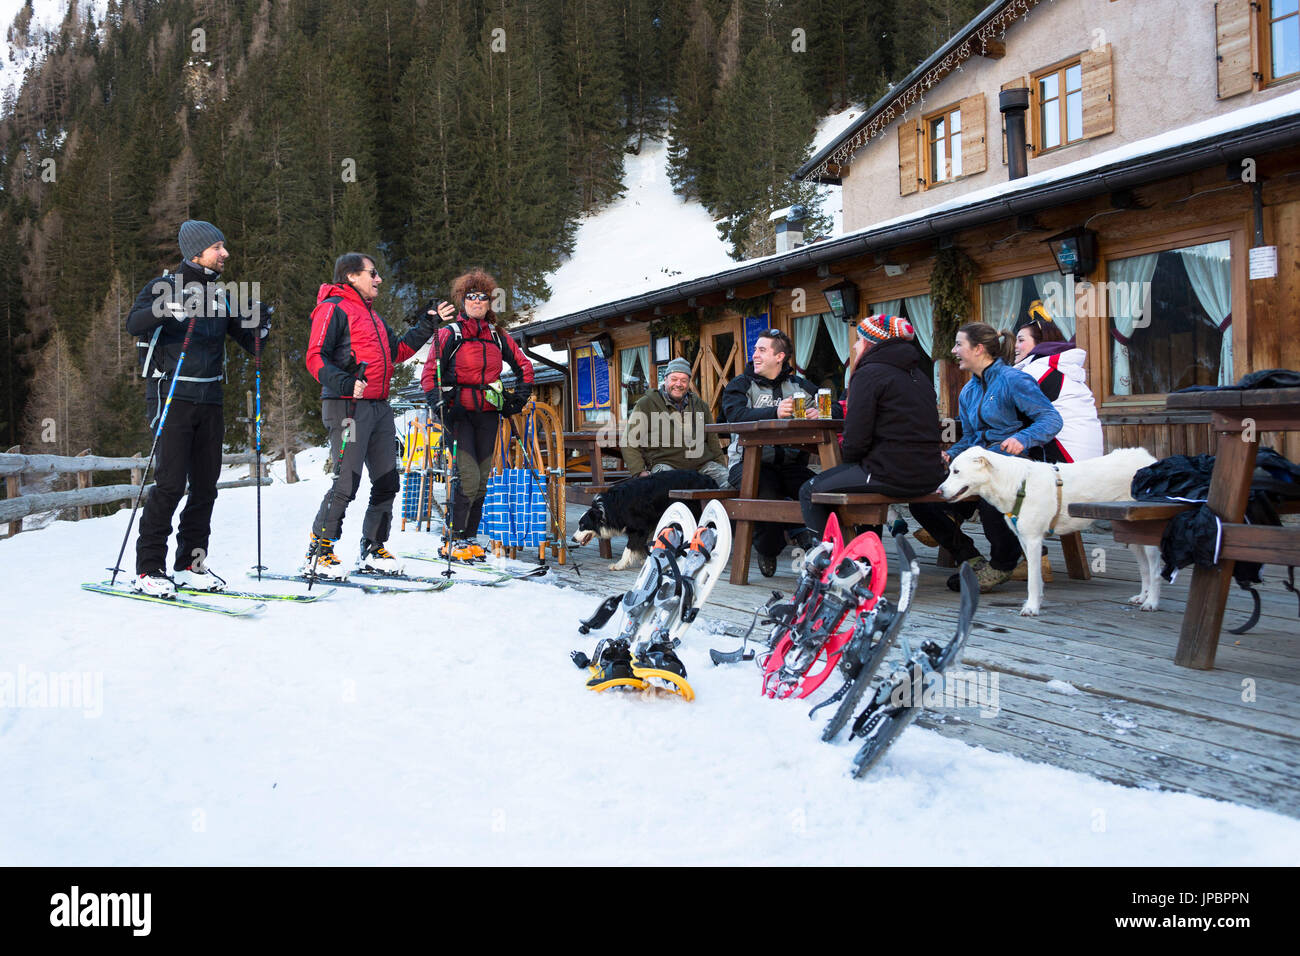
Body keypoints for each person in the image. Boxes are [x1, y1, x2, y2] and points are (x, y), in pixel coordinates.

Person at [125, 220, 271, 595]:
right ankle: (148, 569)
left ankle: (191, 565)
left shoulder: (222, 294)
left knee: (206, 487)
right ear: (196, 251)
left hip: (210, 399)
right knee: (171, 485)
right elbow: (133, 323)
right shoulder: (163, 286)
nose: (225, 254)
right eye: (218, 248)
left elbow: (250, 345)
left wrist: (261, 326)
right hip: (171, 395)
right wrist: (168, 308)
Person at [304, 252, 453, 578]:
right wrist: (345, 381)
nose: (378, 279)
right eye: (372, 273)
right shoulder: (333, 309)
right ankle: (320, 551)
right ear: (351, 277)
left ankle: (373, 547)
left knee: (387, 480)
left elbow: (397, 351)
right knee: (346, 482)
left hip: (379, 407)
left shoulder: (372, 316)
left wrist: (428, 323)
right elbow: (315, 358)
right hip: (347, 407)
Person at [910, 322, 1063, 592]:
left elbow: (1051, 419)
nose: (954, 350)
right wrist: (951, 454)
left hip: (1016, 465)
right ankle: (970, 558)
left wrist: (1022, 438)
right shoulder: (968, 391)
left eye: (959, 344)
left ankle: (1002, 565)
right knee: (923, 500)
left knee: (992, 492)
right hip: (977, 464)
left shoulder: (1014, 380)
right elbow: (970, 438)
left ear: (978, 349)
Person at [420, 269, 534, 561]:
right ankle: (453, 538)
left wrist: (517, 399)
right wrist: (440, 405)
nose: (477, 302)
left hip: (487, 413)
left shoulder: (497, 335)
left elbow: (525, 368)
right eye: (471, 297)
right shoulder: (449, 334)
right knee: (467, 476)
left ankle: (469, 537)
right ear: (462, 301)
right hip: (457, 414)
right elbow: (429, 375)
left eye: (483, 297)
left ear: (489, 302)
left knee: (483, 478)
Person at [798, 315, 946, 538]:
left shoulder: (868, 374)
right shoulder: (919, 376)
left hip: (891, 474)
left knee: (809, 491)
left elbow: (856, 440)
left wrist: (848, 458)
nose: (855, 346)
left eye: (859, 339)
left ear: (870, 343)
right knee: (857, 478)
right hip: (930, 473)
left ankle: (829, 561)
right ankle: (865, 558)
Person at [721, 328, 840, 577]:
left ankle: (822, 549)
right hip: (746, 465)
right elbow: (734, 415)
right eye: (755, 350)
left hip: (789, 465)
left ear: (780, 357)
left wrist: (823, 412)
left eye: (762, 350)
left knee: (822, 487)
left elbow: (836, 408)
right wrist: (773, 413)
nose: (755, 354)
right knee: (767, 492)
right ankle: (769, 549)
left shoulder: (798, 385)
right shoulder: (740, 384)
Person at [1011, 313, 1104, 463]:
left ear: (1041, 343)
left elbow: (1006, 411)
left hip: (1067, 458)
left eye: (1021, 340)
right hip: (1090, 458)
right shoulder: (1060, 370)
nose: (1015, 345)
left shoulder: (1035, 371)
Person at [622, 357, 728, 486]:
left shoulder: (700, 405)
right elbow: (629, 440)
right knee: (666, 491)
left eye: (684, 380)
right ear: (665, 379)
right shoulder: (647, 404)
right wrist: (639, 472)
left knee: (729, 483)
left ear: (689, 383)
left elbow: (713, 441)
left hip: (702, 466)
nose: (678, 384)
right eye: (674, 379)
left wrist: (721, 466)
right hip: (666, 466)